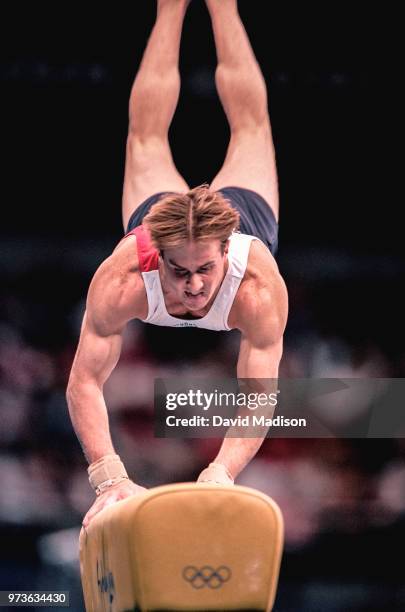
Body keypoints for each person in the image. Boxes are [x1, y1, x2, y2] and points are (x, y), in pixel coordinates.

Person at [67, 0, 288, 528]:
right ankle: (169, 8)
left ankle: (223, 6)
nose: (192, 286)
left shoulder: (256, 285)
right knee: (143, 131)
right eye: (178, 271)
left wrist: (222, 471)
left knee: (252, 125)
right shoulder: (125, 275)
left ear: (224, 253)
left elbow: (260, 396)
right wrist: (109, 475)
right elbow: (85, 381)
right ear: (155, 255)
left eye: (205, 271)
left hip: (245, 219)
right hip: (157, 217)